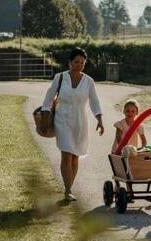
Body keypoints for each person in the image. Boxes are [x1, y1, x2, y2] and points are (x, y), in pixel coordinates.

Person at [40, 47, 104, 201]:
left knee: (75, 156)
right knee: (66, 154)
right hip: (62, 119)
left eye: (82, 63)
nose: (79, 65)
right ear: (70, 62)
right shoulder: (60, 78)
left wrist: (100, 119)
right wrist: (44, 117)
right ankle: (67, 189)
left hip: (80, 122)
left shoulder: (89, 81)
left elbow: (94, 101)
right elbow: (48, 99)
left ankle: (70, 186)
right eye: (76, 62)